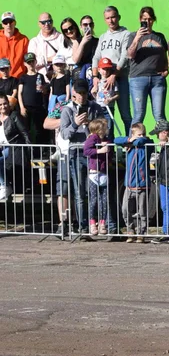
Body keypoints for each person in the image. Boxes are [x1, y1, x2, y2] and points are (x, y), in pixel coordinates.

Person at [59, 78, 110, 237]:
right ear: (74, 93)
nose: (82, 96)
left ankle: (97, 223)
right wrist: (75, 124)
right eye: (79, 93)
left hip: (94, 155)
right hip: (76, 154)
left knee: (96, 193)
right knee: (79, 192)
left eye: (84, 93)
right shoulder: (67, 110)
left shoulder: (95, 107)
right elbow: (64, 134)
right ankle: (82, 227)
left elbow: (104, 129)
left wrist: (89, 125)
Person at [126, 6, 169, 132]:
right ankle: (132, 146)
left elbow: (164, 55)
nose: (148, 22)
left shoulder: (159, 36)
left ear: (153, 20)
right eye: (145, 19)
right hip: (138, 79)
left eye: (150, 19)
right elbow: (130, 55)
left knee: (160, 116)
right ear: (140, 19)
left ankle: (165, 148)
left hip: (157, 80)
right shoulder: (133, 35)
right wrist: (138, 38)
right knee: (138, 115)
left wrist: (166, 70)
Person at [92, 6, 133, 135]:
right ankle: (109, 147)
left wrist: (114, 74)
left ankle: (130, 144)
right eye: (108, 18)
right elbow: (96, 57)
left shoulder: (126, 34)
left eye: (113, 17)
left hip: (119, 78)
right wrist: (95, 77)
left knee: (125, 114)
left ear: (118, 17)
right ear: (105, 20)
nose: (111, 20)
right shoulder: (103, 36)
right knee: (106, 114)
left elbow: (124, 56)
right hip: (104, 80)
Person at [83, 117, 115, 238]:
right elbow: (86, 150)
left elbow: (110, 152)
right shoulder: (93, 138)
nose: (106, 130)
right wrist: (100, 150)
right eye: (104, 128)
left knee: (104, 199)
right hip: (94, 173)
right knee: (94, 199)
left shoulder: (106, 139)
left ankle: (102, 223)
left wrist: (108, 150)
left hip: (104, 172)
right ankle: (92, 223)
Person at [120, 122, 152, 242]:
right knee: (125, 209)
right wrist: (129, 140)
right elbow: (116, 140)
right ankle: (130, 231)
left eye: (143, 134)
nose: (141, 136)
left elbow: (141, 142)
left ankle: (141, 233)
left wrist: (132, 142)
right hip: (129, 185)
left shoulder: (147, 143)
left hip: (142, 185)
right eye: (139, 134)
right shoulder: (130, 143)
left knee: (142, 212)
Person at [0, 96, 30, 202]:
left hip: (14, 147)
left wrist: (28, 150)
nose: (3, 106)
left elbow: (25, 133)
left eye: (5, 103)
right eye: (0, 104)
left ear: (8, 104)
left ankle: (5, 186)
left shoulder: (14, 116)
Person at [17, 53, 48, 144]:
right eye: (28, 62)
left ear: (35, 62)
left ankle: (39, 151)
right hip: (26, 107)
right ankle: (27, 150)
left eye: (32, 62)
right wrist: (22, 107)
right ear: (25, 64)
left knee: (39, 129)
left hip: (38, 107)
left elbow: (44, 92)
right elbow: (19, 93)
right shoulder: (23, 77)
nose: (30, 64)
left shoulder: (40, 76)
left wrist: (43, 89)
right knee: (26, 130)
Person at [28, 12, 68, 78]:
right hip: (40, 79)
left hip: (59, 79)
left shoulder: (61, 37)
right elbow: (31, 63)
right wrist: (48, 59)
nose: (47, 24)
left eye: (49, 21)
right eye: (43, 22)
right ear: (39, 24)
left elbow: (65, 57)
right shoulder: (34, 41)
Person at [0, 12, 29, 80]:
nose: (8, 25)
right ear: (2, 24)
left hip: (18, 79)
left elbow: (27, 60)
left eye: (11, 22)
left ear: (15, 23)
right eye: (5, 22)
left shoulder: (24, 40)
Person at [70, 15, 98, 81]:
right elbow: (76, 60)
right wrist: (83, 42)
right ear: (81, 27)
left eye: (90, 24)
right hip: (81, 74)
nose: (88, 27)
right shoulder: (77, 41)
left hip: (94, 73)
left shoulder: (98, 41)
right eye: (85, 25)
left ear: (93, 25)